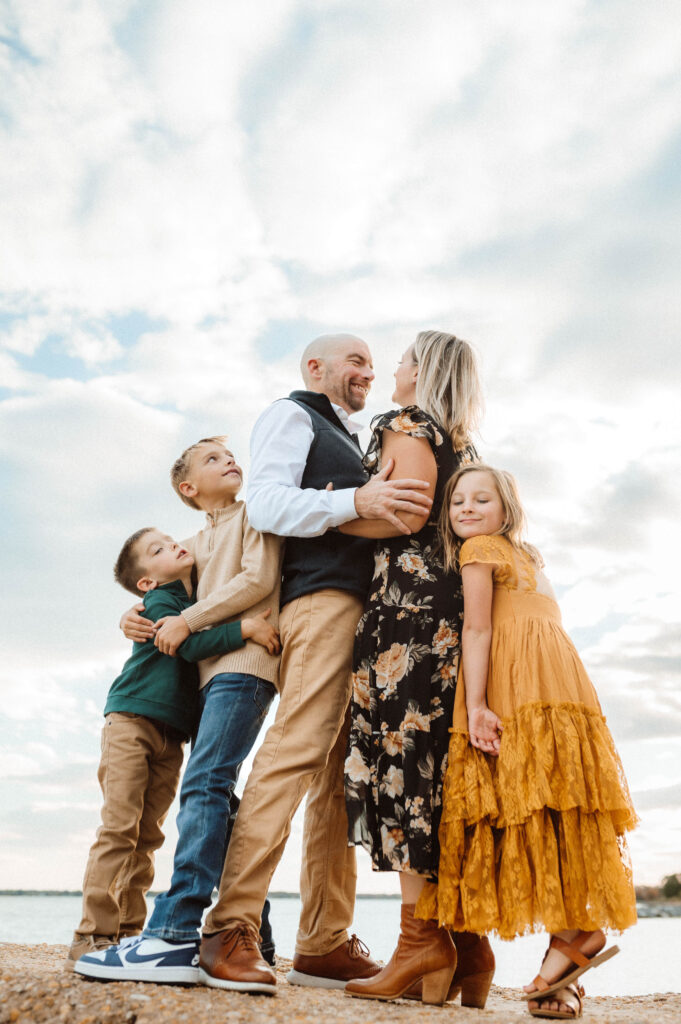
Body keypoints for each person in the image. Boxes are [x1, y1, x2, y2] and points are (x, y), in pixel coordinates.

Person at [198, 333, 435, 996]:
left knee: (338, 781)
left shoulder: (358, 436)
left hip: (375, 617)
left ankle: (323, 942)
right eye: (354, 360)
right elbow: (268, 503)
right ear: (315, 367)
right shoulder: (290, 414)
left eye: (371, 360)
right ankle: (230, 926)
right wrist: (353, 501)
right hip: (323, 599)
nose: (368, 369)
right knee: (294, 751)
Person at [416, 464, 638, 1020]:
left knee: (529, 808)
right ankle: (571, 940)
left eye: (481, 498)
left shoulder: (484, 549)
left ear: (506, 507)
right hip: (558, 687)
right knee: (555, 807)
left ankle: (572, 938)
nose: (466, 508)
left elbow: (479, 629)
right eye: (457, 501)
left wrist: (475, 706)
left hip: (523, 686)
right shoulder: (521, 554)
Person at [75, 438, 282, 983]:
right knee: (192, 802)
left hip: (237, 671)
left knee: (203, 791)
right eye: (212, 459)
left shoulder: (255, 510)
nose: (229, 459)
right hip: (169, 701)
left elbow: (253, 581)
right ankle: (116, 935)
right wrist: (133, 611)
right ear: (188, 488)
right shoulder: (191, 547)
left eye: (229, 453)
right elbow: (159, 590)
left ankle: (173, 931)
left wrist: (200, 624)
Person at [335, 331, 492, 1007]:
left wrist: (326, 518)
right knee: (432, 770)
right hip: (449, 616)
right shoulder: (463, 443)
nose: (390, 370)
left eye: (399, 360)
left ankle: (419, 944)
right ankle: (463, 947)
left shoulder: (405, 423)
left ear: (420, 372)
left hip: (410, 614)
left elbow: (407, 512)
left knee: (403, 769)